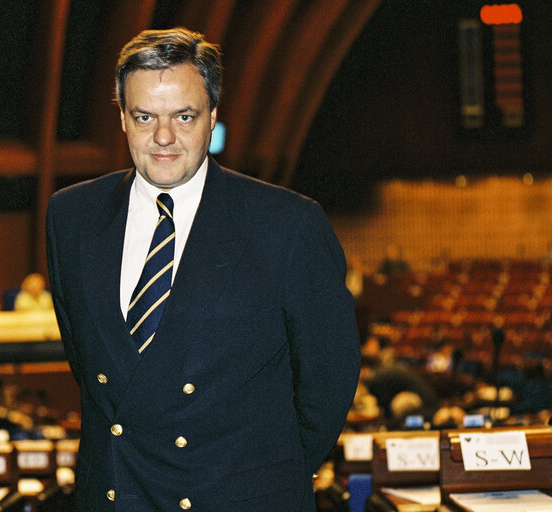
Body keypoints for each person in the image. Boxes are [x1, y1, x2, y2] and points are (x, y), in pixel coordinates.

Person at [45, 27, 360, 510]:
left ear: (212, 118)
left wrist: (267, 473)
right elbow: (90, 366)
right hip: (117, 495)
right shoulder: (72, 217)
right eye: (144, 116)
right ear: (123, 120)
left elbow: (328, 381)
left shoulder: (287, 224)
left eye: (184, 116)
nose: (164, 137)